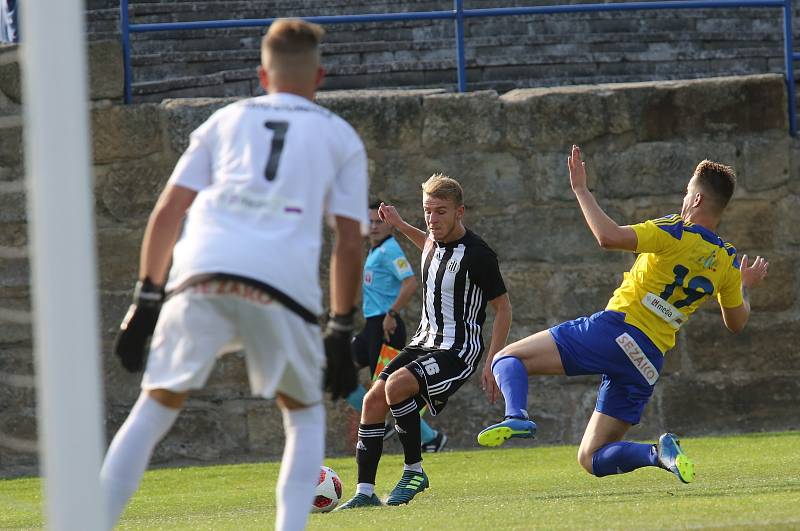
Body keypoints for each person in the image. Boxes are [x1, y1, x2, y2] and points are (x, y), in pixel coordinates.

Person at [100, 19, 367, 531]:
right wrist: (339, 327)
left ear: (261, 77)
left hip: (198, 275)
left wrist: (146, 299)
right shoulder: (339, 136)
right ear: (320, 78)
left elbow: (167, 213)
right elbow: (350, 241)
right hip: (281, 288)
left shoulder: (225, 120)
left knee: (153, 409)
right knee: (304, 416)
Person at [478, 146, 769, 484]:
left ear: (698, 200)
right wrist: (743, 285)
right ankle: (657, 454)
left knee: (505, 358)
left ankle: (516, 415)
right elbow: (736, 322)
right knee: (591, 457)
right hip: (647, 361)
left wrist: (581, 191)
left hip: (616, 331)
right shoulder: (726, 260)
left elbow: (608, 237)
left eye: (687, 192)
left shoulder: (674, 231)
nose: (684, 198)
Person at [338, 174, 513, 509]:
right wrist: (402, 224)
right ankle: (364, 493)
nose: (433, 219)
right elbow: (430, 245)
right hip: (423, 342)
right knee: (373, 400)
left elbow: (503, 308)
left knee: (397, 386)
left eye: (441, 212)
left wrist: (493, 360)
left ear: (459, 212)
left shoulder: (479, 255)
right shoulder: (432, 242)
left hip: (457, 350)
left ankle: (414, 470)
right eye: (428, 211)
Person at [345, 200, 448, 453]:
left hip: (386, 326)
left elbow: (411, 282)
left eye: (379, 221)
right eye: (369, 221)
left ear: (389, 224)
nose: (374, 226)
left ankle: (430, 438)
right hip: (371, 327)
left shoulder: (391, 249)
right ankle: (398, 430)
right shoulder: (374, 251)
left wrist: (391, 313)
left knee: (386, 389)